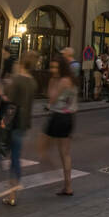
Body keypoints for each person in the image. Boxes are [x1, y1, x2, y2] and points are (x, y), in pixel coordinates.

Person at [0, 52, 36, 206]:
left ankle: (10, 182)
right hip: (23, 123)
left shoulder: (17, 80)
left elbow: (7, 99)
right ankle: (12, 194)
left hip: (11, 122)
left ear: (22, 63)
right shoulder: (33, 82)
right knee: (16, 156)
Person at [41, 50, 78, 196]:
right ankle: (67, 185)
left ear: (62, 68)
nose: (52, 70)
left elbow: (52, 98)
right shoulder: (71, 79)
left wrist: (51, 83)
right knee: (64, 153)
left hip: (60, 117)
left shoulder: (62, 81)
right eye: (51, 67)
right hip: (68, 117)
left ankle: (54, 173)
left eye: (55, 67)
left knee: (44, 148)